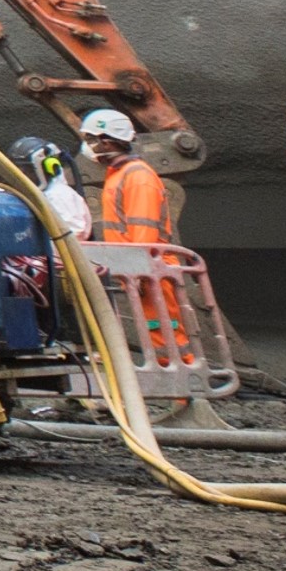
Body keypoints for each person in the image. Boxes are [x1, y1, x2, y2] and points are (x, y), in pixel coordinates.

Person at [80, 108, 196, 374]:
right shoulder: (121, 175)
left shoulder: (137, 177)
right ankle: (178, 393)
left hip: (150, 270)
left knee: (166, 337)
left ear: (107, 141)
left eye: (91, 139)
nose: (89, 147)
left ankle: (187, 392)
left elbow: (142, 230)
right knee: (158, 336)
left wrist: (139, 271)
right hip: (140, 270)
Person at [11, 135, 92, 244]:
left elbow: (74, 235)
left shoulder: (58, 195)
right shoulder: (45, 194)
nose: (23, 176)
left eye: (27, 171)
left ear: (48, 168)